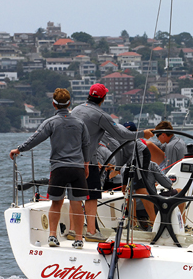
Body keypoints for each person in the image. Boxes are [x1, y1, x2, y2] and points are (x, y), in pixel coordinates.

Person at [71, 83, 153, 242]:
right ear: (103, 98)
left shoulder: (75, 110)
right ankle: (92, 232)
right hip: (89, 162)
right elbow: (121, 134)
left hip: (72, 160)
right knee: (92, 197)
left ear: (89, 95)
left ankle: (73, 230)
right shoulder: (100, 115)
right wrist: (143, 133)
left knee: (75, 196)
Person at [9, 88, 89, 249]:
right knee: (76, 204)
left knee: (56, 203)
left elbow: (35, 138)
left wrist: (19, 149)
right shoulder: (80, 123)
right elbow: (86, 144)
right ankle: (79, 239)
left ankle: (52, 236)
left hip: (59, 168)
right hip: (77, 169)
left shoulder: (51, 122)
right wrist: (86, 165)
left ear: (54, 104)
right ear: (70, 103)